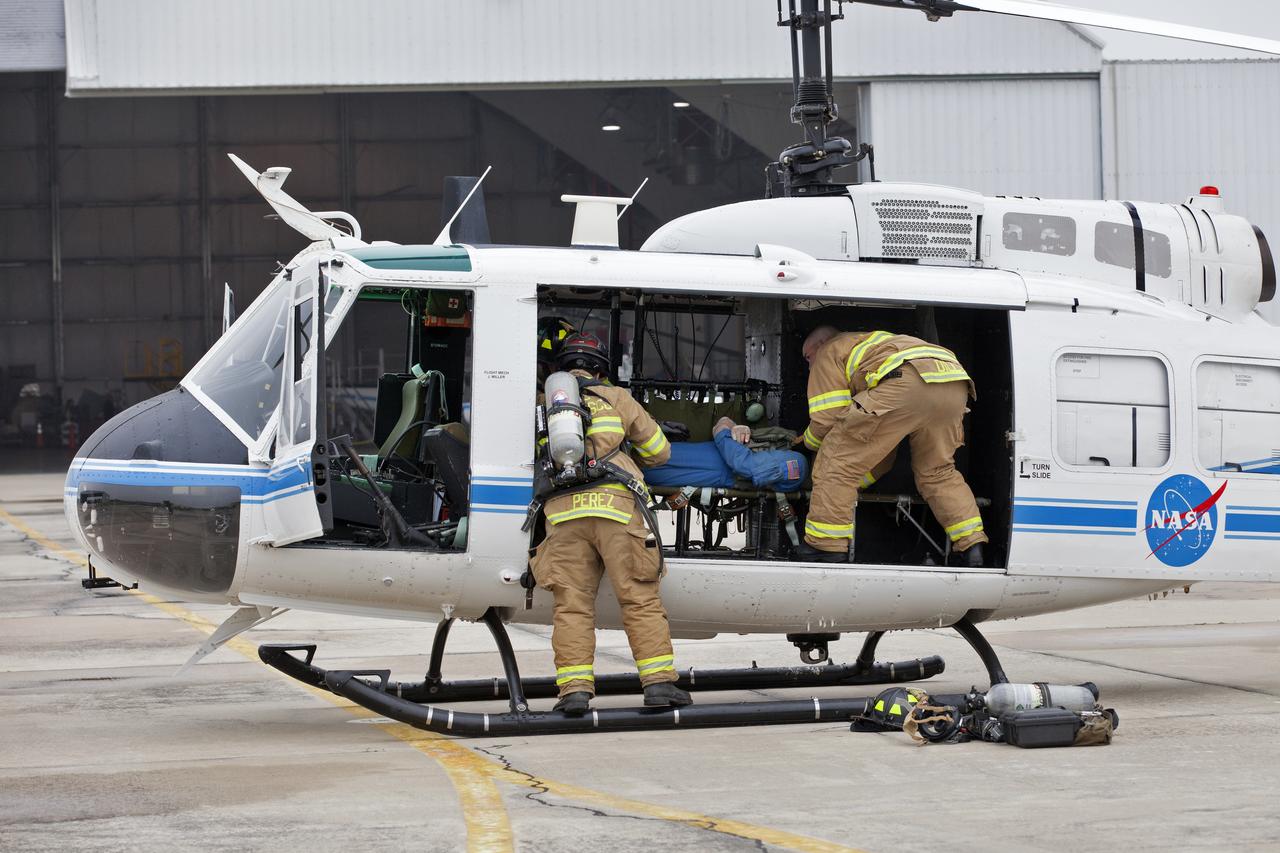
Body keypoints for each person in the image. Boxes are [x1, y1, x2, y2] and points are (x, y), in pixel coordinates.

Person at [529, 333, 692, 716]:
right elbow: (659, 452)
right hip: (616, 506)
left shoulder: (542, 406)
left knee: (571, 606)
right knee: (638, 596)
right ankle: (659, 685)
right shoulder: (617, 397)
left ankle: (573, 693)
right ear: (602, 368)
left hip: (562, 511)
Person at [795, 325, 987, 566]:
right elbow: (879, 454)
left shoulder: (829, 351)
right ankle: (972, 546)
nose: (809, 365)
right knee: (938, 472)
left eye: (807, 357)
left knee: (836, 464)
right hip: (953, 381)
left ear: (820, 344)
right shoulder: (875, 342)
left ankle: (825, 547)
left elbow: (827, 420)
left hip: (906, 380)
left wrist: (802, 445)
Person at [644, 417, 808, 492]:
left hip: (711, 470)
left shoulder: (798, 464)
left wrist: (723, 430)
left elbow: (746, 467)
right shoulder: (788, 442)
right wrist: (729, 424)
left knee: (639, 471)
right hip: (705, 456)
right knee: (641, 458)